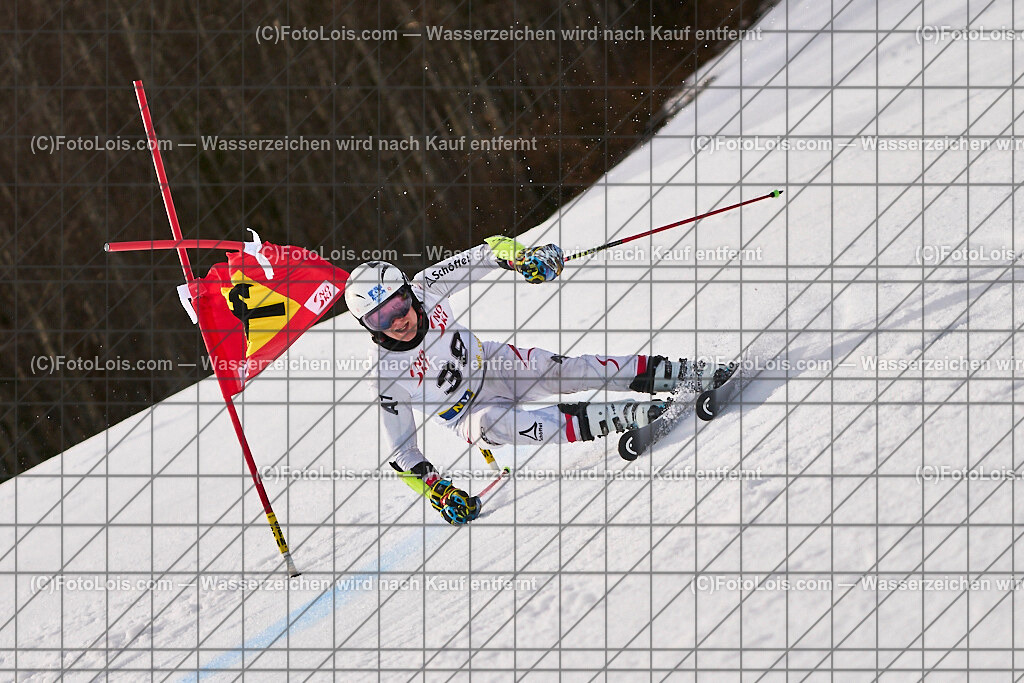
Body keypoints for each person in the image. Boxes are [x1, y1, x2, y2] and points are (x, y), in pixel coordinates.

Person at [344, 236, 731, 524]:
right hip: (469, 414)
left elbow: (487, 251)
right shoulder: (383, 374)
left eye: (397, 303)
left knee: (572, 371)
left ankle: (681, 374)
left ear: (408, 292)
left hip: (494, 365)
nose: (397, 320)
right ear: (368, 327)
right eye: (380, 318)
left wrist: (526, 259)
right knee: (512, 424)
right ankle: (620, 416)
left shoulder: (428, 286)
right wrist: (439, 492)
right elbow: (401, 453)